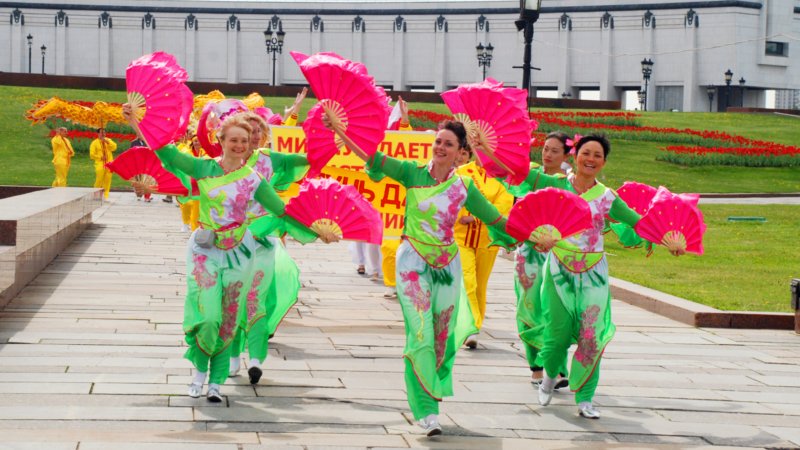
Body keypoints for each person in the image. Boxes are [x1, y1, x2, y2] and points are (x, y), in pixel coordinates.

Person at [324, 115, 516, 437]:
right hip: (412, 262)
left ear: (460, 152)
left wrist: (536, 234)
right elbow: (371, 157)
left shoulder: (464, 187)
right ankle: (427, 412)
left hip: (447, 266)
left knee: (441, 338)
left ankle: (431, 399)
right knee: (421, 333)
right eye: (438, 141)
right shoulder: (411, 173)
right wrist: (341, 130)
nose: (441, 147)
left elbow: (497, 220)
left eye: (449, 144)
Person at [123, 105, 322, 402]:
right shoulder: (204, 168)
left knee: (229, 318)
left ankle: (215, 383)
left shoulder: (254, 179)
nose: (240, 145)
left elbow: (283, 211)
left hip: (240, 253)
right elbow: (165, 152)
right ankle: (198, 373)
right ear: (222, 139)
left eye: (245, 140)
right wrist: (137, 121)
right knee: (208, 316)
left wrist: (318, 231)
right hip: (205, 250)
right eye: (234, 139)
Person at [515, 134, 683, 419]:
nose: (590, 159)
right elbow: (516, 173)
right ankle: (548, 377)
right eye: (585, 153)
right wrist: (485, 148)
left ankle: (585, 397)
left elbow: (638, 223)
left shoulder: (607, 196)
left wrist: (668, 241)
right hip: (559, 271)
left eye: (597, 155)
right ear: (575, 155)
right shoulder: (555, 185)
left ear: (604, 162)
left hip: (594, 275)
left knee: (591, 337)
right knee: (556, 337)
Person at [225, 110, 313, 384]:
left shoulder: (272, 161)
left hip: (263, 240)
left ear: (263, 135)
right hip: (232, 241)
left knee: (256, 299)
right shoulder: (225, 164)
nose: (250, 139)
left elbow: (311, 161)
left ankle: (255, 359)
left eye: (256, 132)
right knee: (233, 299)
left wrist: (333, 136)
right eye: (245, 132)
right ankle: (231, 357)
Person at [514, 132, 572, 386]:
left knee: (554, 312)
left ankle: (557, 367)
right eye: (545, 148)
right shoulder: (529, 173)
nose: (547, 154)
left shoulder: (565, 182)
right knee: (529, 307)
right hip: (528, 252)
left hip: (556, 255)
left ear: (566, 156)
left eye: (555, 151)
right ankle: (536, 366)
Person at [453, 145, 513, 349]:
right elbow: (453, 198)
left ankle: (474, 325)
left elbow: (502, 208)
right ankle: (470, 327)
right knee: (467, 280)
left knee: (480, 284)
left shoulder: (502, 179)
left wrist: (476, 216)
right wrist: (464, 216)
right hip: (461, 237)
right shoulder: (462, 171)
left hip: (488, 239)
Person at [381, 96, 414, 298]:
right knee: (387, 246)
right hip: (384, 202)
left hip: (406, 202)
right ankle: (391, 284)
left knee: (406, 248)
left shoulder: (407, 164)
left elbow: (409, 143)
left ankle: (405, 282)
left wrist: (405, 119)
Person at [89, 128, 117, 199]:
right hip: (100, 163)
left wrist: (107, 142)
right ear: (98, 134)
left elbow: (114, 147)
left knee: (108, 179)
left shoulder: (108, 140)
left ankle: (105, 195)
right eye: (101, 133)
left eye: (104, 132)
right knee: (99, 179)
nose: (103, 134)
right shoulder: (94, 143)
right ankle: (96, 194)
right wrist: (100, 157)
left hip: (109, 163)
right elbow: (92, 154)